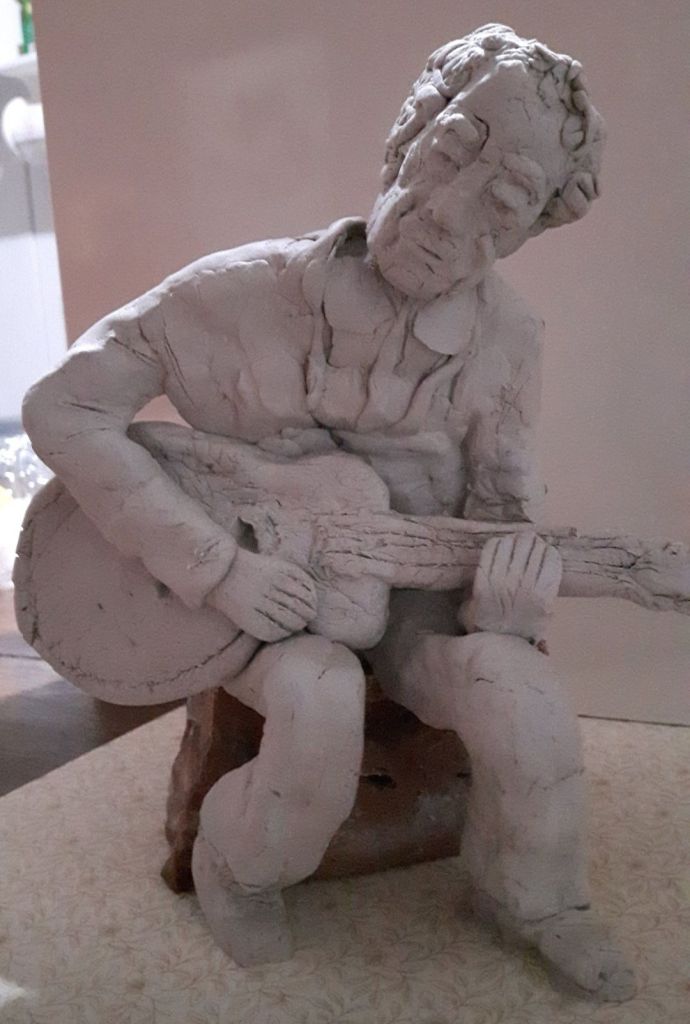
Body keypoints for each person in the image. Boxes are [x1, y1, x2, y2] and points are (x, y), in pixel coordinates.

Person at [22, 25, 634, 999]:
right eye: (452, 149)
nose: (451, 211)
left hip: (417, 609)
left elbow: (502, 515)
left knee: (526, 701)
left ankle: (535, 895)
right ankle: (238, 861)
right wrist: (215, 564)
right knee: (322, 704)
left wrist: (508, 609)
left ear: (523, 234)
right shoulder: (232, 294)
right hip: (263, 611)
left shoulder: (508, 340)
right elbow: (64, 406)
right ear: (406, 134)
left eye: (504, 202)